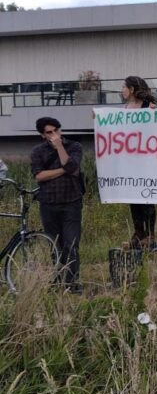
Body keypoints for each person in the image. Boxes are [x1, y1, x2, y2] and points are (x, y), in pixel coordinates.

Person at [30, 117, 84, 292]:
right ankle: (59, 278)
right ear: (42, 135)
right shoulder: (38, 151)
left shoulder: (74, 146)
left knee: (71, 243)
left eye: (56, 130)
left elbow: (72, 164)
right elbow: (39, 175)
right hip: (48, 203)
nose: (54, 135)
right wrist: (64, 171)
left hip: (71, 202)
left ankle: (72, 282)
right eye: (49, 132)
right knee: (55, 244)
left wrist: (60, 147)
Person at [120, 76, 157, 250]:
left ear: (132, 89)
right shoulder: (125, 108)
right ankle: (138, 233)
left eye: (124, 87)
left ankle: (150, 235)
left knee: (147, 198)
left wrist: (154, 113)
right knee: (133, 198)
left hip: (147, 160)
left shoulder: (148, 107)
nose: (122, 90)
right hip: (130, 161)